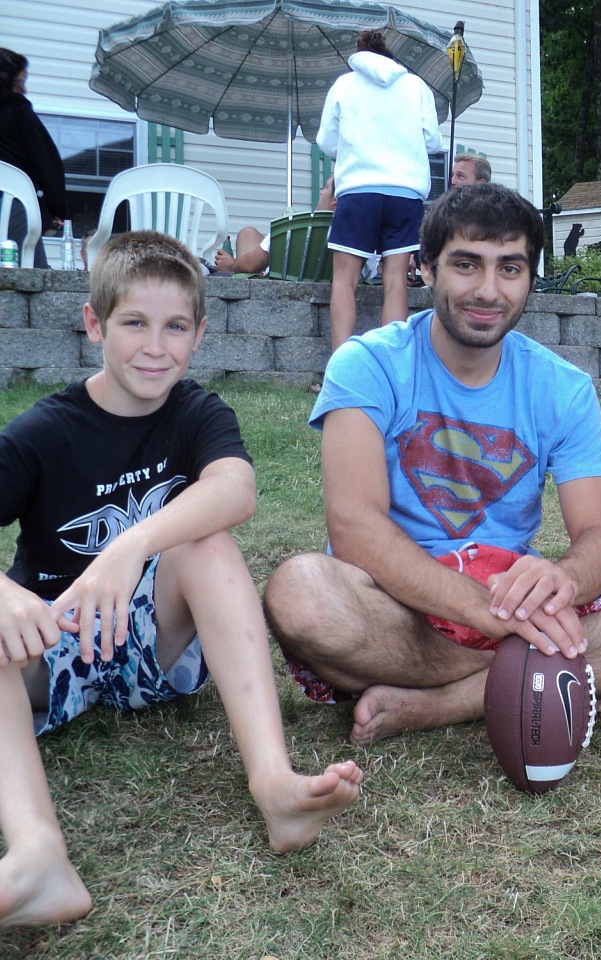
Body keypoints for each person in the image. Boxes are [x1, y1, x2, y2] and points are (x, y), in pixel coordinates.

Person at [263, 183, 601, 748]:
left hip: (513, 598)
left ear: (530, 278)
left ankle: (447, 703)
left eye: (510, 268)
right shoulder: (368, 364)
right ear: (426, 268)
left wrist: (564, 578)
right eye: (466, 264)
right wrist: (489, 613)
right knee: (301, 593)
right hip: (398, 604)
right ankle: (541, 674)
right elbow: (355, 528)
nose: (488, 290)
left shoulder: (563, 388)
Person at [0, 232, 363, 927]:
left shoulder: (197, 412)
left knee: (207, 545)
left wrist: (131, 546)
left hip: (148, 643)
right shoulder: (44, 432)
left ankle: (274, 783)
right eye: (134, 322)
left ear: (199, 334)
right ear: (94, 324)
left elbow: (236, 488)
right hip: (51, 641)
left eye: (174, 327)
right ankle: (39, 856)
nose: (154, 347)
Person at [318, 30, 442, 352]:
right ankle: (390, 364)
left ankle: (341, 365)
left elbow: (326, 142)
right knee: (395, 282)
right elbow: (433, 141)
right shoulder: (416, 86)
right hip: (405, 192)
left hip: (359, 190)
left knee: (345, 281)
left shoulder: (344, 85)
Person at [0, 48, 65, 270]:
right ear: (6, 79)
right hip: (11, 204)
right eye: (21, 81)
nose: (24, 89)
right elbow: (45, 161)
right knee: (28, 269)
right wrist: (57, 207)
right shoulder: (17, 109)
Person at [212, 177, 337, 276]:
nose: (321, 192)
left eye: (326, 188)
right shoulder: (341, 234)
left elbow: (250, 265)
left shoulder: (299, 228)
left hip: (269, 283)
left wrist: (230, 266)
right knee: (248, 233)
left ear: (335, 200)